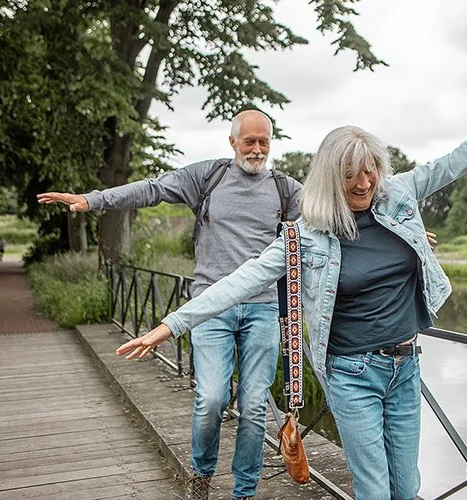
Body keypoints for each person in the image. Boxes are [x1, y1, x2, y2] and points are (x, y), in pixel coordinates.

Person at [116, 76, 467, 499]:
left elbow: (456, 160)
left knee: (407, 487)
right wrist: (170, 326)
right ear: (332, 177)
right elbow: (241, 280)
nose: (364, 182)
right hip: (352, 374)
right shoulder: (306, 234)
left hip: (406, 365)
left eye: (371, 169)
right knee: (374, 489)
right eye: (351, 173)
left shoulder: (398, 197)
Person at [38, 110, 302, 500]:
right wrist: (93, 200)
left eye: (265, 141)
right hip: (209, 307)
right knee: (211, 398)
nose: (258, 149)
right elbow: (151, 189)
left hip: (263, 308)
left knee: (253, 409)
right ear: (233, 142)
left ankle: (244, 491)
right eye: (250, 141)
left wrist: (398, 229)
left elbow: (329, 219)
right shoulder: (207, 177)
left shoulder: (286, 190)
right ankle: (201, 475)